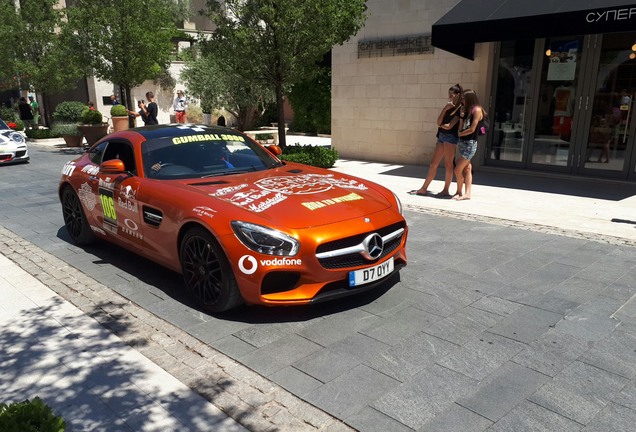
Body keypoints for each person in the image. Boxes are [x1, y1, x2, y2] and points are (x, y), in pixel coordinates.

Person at [409, 84, 463, 197]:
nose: (450, 97)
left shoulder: (460, 109)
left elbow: (449, 126)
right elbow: (438, 122)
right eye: (449, 95)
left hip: (450, 137)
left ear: (458, 95)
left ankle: (446, 190)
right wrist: (445, 109)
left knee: (449, 165)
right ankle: (424, 188)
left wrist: (442, 124)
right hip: (442, 136)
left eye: (452, 95)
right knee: (433, 164)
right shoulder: (448, 107)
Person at [454, 89, 484, 201]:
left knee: (457, 169)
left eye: (463, 98)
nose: (461, 100)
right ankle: (463, 193)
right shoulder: (466, 110)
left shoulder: (477, 110)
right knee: (467, 168)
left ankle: (462, 192)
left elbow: (472, 129)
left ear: (469, 98)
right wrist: (461, 117)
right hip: (462, 142)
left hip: (470, 143)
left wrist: (460, 133)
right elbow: (461, 128)